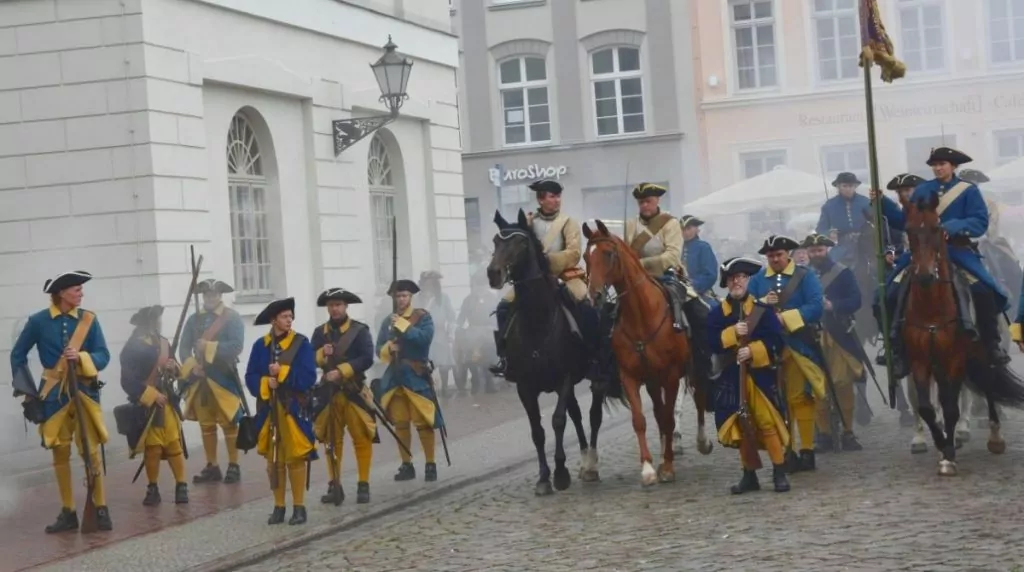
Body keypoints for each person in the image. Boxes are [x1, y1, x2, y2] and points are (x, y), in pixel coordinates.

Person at [871, 147, 1011, 374]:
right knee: (886, 294)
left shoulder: (968, 191)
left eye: (942, 164)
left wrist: (952, 227)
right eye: (934, 165)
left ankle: (991, 344)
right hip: (922, 253)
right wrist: (881, 203)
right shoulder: (923, 190)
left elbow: (979, 221)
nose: (937, 168)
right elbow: (906, 221)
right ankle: (895, 349)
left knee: (986, 290)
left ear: (953, 166)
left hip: (956, 250)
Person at [11, 270, 112, 532]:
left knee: (91, 452)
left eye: (80, 289)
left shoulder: (89, 320)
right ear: (62, 293)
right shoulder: (38, 321)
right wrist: (27, 391)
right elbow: (17, 355)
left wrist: (82, 358)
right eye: (76, 289)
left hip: (85, 393)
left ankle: (100, 507)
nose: (81, 293)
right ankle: (68, 512)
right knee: (60, 453)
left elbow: (103, 355)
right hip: (53, 396)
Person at [491, 179, 591, 377]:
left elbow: (573, 253)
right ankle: (505, 357)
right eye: (552, 197)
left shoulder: (568, 222)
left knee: (584, 303)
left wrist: (545, 261)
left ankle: (591, 353)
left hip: (564, 275)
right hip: (533, 280)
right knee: (503, 307)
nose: (557, 201)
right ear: (540, 199)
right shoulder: (529, 222)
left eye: (558, 196)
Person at [708, 257, 790, 494]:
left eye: (742, 277)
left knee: (767, 423)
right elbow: (710, 343)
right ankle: (749, 475)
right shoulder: (716, 315)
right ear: (726, 282)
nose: (737, 282)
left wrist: (753, 351)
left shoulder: (762, 311)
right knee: (742, 426)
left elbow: (777, 341)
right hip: (731, 379)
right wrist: (732, 333)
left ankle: (779, 472)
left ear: (747, 280)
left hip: (760, 376)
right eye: (733, 278)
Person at [747, 236, 827, 473]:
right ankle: (787, 450)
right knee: (777, 402)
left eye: (779, 255)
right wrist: (763, 303)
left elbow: (816, 305)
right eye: (770, 256)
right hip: (769, 348)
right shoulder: (758, 280)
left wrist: (786, 317)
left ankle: (807, 450)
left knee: (800, 398)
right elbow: (748, 307)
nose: (775, 259)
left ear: (788, 254)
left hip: (798, 344)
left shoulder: (805, 276)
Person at [624, 183, 712, 380]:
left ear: (657, 201)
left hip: (667, 277)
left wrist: (639, 264)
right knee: (609, 313)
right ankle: (608, 369)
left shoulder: (670, 223)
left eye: (648, 201)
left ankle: (702, 366)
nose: (644, 205)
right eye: (641, 202)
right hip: (635, 280)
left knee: (700, 315)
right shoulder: (630, 224)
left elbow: (672, 256)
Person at [244, 297, 318, 526]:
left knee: (295, 458)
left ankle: (299, 507)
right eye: (285, 317)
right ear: (274, 320)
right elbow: (250, 376)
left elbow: (308, 377)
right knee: (273, 460)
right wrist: (267, 383)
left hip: (292, 409)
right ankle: (278, 506)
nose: (289, 320)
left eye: (290, 317)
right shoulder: (260, 346)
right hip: (269, 410)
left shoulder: (302, 344)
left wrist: (283, 373)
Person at [310, 288, 376, 506]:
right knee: (331, 440)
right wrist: (322, 355)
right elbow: (310, 359)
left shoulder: (359, 330)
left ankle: (363, 484)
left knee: (361, 437)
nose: (334, 308)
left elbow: (367, 358)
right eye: (331, 305)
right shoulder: (320, 333)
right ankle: (334, 484)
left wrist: (342, 370)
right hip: (329, 393)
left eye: (338, 304)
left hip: (353, 390)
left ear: (346, 306)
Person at [374, 279, 444, 482]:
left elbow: (424, 339)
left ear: (410, 297)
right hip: (394, 377)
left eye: (404, 296)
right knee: (400, 423)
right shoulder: (388, 321)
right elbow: (378, 348)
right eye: (397, 296)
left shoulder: (422, 317)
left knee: (423, 422)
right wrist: (389, 348)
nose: (401, 299)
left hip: (416, 375)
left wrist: (403, 326)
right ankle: (406, 464)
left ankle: (430, 463)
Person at [178, 279, 247, 485]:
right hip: (200, 379)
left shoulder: (232, 318)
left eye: (214, 294)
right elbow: (183, 348)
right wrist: (192, 367)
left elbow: (236, 346)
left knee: (229, 422)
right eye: (207, 295)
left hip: (223, 377)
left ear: (220, 296)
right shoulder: (194, 320)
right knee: (206, 424)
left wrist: (208, 346)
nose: (210, 298)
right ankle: (212, 465)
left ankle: (234, 465)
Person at [119, 305, 189, 506]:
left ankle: (181, 485)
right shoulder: (131, 348)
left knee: (174, 444)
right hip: (147, 405)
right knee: (153, 448)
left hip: (166, 401)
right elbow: (127, 380)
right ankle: (152, 488)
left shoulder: (164, 343)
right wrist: (150, 395)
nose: (159, 322)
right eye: (156, 319)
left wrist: (172, 367)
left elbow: (178, 372)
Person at [803, 234, 865, 452]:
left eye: (819, 250)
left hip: (838, 336)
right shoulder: (802, 275)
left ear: (826, 250)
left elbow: (856, 300)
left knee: (842, 384)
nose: (816, 254)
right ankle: (824, 434)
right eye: (812, 251)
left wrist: (833, 305)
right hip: (812, 338)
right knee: (817, 387)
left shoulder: (842, 273)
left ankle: (848, 431)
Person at [816, 172, 872, 265]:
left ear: (855, 186)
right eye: (844, 186)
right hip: (842, 247)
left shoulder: (865, 202)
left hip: (866, 244)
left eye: (850, 186)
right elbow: (820, 229)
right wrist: (829, 233)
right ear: (838, 187)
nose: (848, 189)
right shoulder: (829, 205)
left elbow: (876, 223)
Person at [419, 271, 456, 395]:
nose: (429, 286)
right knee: (427, 363)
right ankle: (429, 388)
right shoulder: (418, 299)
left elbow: (451, 317)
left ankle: (445, 388)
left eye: (432, 283)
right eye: (427, 283)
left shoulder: (443, 298)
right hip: (424, 335)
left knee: (444, 364)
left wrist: (451, 333)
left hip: (440, 334)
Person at [883, 173, 926, 256]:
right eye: (899, 192)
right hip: (913, 254)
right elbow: (900, 221)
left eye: (907, 190)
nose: (903, 194)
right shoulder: (907, 209)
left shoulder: (927, 206)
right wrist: (882, 200)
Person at [681, 215, 720, 304]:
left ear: (697, 229)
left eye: (689, 228)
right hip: (676, 290)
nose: (686, 232)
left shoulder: (703, 247)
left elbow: (710, 275)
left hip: (700, 292)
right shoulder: (676, 248)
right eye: (683, 229)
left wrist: (693, 284)